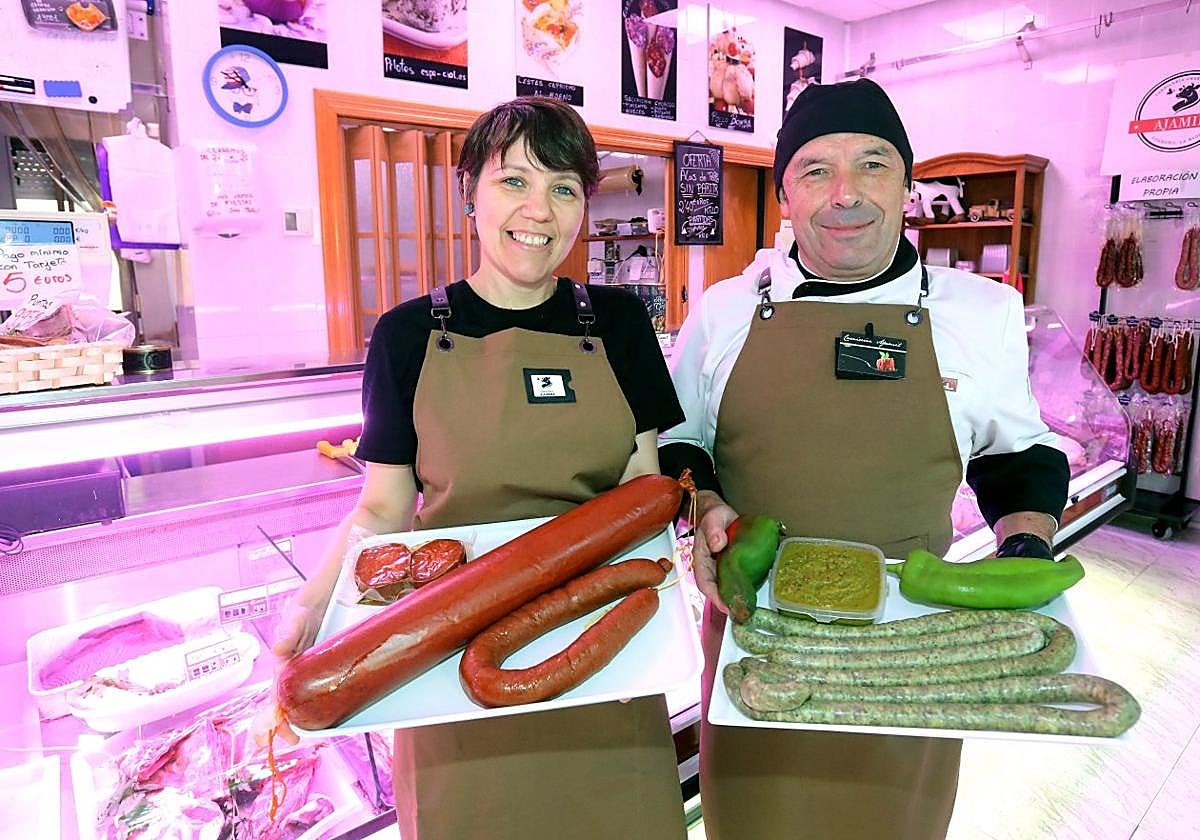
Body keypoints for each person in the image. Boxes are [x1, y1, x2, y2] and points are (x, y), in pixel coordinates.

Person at [659, 78, 1070, 840]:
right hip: (759, 632)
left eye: (873, 165)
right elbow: (681, 443)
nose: (845, 194)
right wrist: (703, 508)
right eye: (816, 170)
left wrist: (1023, 544)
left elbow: (1019, 455)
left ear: (908, 185)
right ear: (784, 195)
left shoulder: (979, 312)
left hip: (913, 638)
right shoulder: (725, 308)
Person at [267, 96, 687, 839]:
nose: (540, 209)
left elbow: (640, 489)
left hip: (598, 639)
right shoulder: (405, 334)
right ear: (469, 193)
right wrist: (311, 607)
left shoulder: (620, 322)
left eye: (564, 188)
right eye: (514, 181)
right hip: (440, 655)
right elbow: (383, 508)